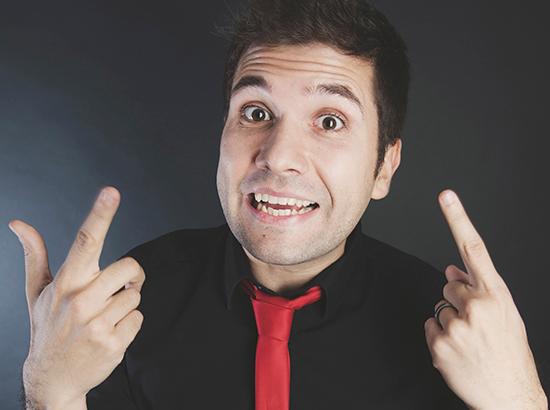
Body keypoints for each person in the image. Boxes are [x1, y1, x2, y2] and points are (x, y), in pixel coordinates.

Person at [12, 0, 548, 409]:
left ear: (384, 167)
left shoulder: (454, 329)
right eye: (255, 113)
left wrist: (520, 401)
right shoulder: (124, 306)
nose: (279, 156)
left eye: (330, 121)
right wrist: (50, 392)